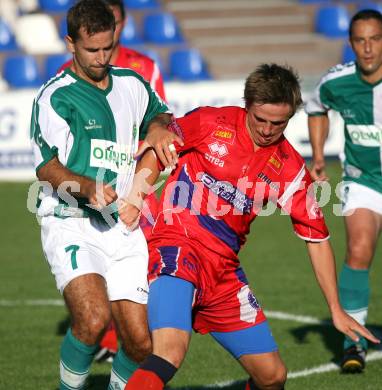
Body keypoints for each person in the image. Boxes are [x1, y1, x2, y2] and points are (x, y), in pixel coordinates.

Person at [122, 64, 379, 390]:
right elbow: (159, 148)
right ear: (247, 105)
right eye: (261, 120)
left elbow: (317, 239)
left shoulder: (290, 168)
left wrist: (335, 309)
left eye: (279, 123)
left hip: (223, 270)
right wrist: (136, 195)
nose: (269, 130)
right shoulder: (211, 123)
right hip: (177, 246)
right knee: (169, 353)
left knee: (272, 377)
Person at [29, 1, 181, 389]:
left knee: (141, 342)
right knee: (93, 320)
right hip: (71, 222)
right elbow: (48, 168)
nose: (101, 58)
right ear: (70, 44)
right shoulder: (55, 97)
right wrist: (87, 187)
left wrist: (161, 128)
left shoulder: (131, 84)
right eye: (91, 50)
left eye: (107, 48)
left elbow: (161, 115)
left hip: (123, 226)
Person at [60, 0, 167, 363]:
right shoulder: (67, 77)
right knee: (96, 282)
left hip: (137, 178)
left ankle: (132, 340)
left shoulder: (143, 68)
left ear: (121, 23)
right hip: (89, 196)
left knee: (137, 275)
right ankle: (107, 337)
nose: (108, 41)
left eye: (116, 23)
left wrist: (140, 164)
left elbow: (160, 119)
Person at [306, 9, 382, 373]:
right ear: (351, 44)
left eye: (375, 39)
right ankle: (353, 342)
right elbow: (316, 106)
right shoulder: (337, 81)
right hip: (363, 179)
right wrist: (318, 155)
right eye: (360, 41)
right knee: (359, 246)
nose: (368, 49)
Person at [59, 0, 166, 101]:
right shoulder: (66, 73)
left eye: (114, 23)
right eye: (101, 25)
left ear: (125, 22)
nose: (108, 30)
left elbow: (162, 117)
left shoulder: (145, 67)